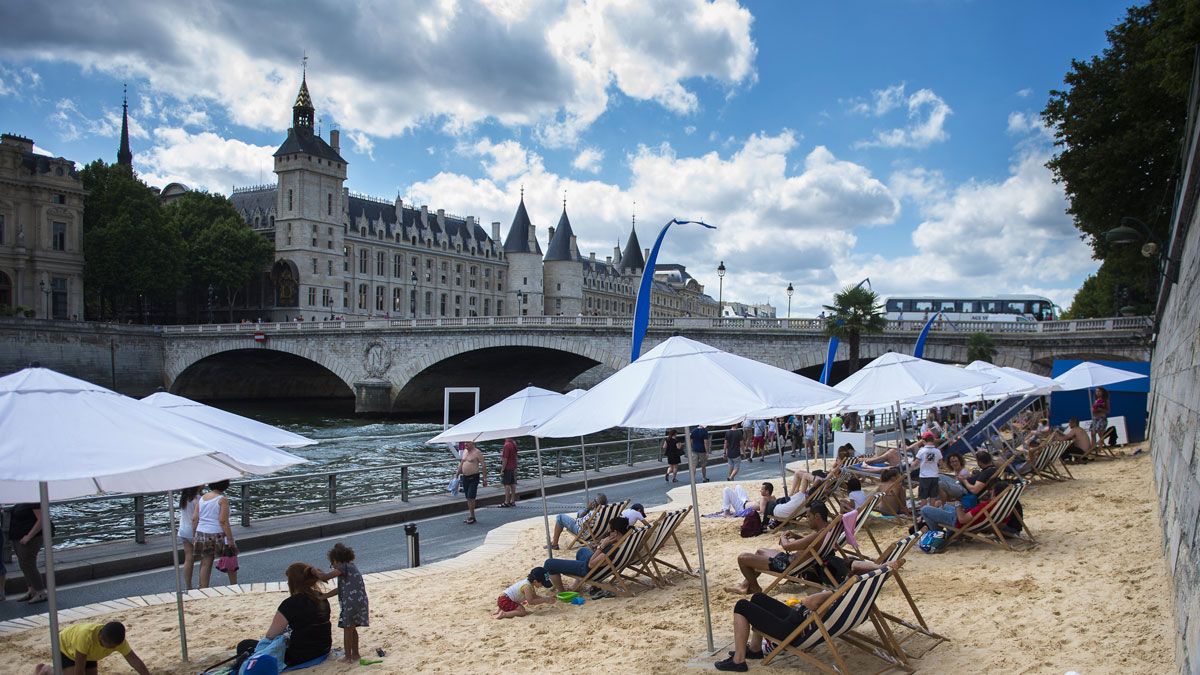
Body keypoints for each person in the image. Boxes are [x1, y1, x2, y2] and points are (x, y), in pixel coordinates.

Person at [715, 559, 907, 672]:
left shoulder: (839, 594)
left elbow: (809, 603)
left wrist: (827, 593)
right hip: (800, 619)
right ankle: (755, 650)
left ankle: (738, 660)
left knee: (742, 605)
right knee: (757, 597)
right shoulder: (853, 595)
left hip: (794, 629)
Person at [265, 563, 333, 668]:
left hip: (300, 655)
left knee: (245, 645)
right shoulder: (321, 597)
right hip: (323, 648)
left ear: (292, 582)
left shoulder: (289, 603)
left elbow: (270, 635)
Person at [543, 516, 630, 594]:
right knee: (582, 551)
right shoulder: (625, 543)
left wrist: (602, 546)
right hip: (599, 565)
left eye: (610, 531)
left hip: (588, 570)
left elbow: (591, 564)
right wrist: (603, 545)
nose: (608, 532)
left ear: (615, 532)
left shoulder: (612, 550)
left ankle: (562, 592)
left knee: (549, 563)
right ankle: (576, 585)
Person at [33, 621, 150, 675]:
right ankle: (47, 669)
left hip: (90, 653)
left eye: (115, 646)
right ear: (101, 637)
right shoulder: (86, 636)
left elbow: (135, 661)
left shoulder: (119, 641)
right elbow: (79, 669)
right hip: (64, 647)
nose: (114, 648)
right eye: (110, 646)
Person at [318, 544, 368, 663]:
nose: (333, 567)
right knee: (352, 629)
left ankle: (348, 657)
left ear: (336, 561)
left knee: (347, 629)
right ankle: (355, 654)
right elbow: (339, 589)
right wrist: (324, 596)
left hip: (351, 604)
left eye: (332, 564)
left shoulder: (343, 567)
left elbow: (325, 577)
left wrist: (314, 571)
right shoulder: (350, 567)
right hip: (359, 603)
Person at [193, 480, 237, 589]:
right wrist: (230, 539)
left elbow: (195, 518)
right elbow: (223, 521)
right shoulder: (222, 500)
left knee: (206, 562)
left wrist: (194, 533)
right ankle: (234, 586)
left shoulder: (202, 498)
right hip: (217, 533)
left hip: (201, 532)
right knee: (230, 558)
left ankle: (203, 588)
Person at [9, 502, 47, 603]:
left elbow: (42, 519)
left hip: (30, 539)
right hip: (18, 537)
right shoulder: (21, 500)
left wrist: (29, 536)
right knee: (23, 564)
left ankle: (41, 592)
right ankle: (32, 590)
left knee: (28, 564)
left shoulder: (34, 501)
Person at [177, 486, 203, 590]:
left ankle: (188, 586)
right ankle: (202, 584)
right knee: (205, 559)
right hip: (194, 530)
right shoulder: (198, 499)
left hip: (183, 530)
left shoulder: (184, 497)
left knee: (188, 558)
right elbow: (196, 518)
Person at [457, 441, 487, 524]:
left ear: (473, 443)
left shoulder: (477, 452)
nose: (465, 444)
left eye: (468, 443)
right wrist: (457, 474)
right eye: (465, 442)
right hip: (465, 477)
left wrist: (485, 479)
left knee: (471, 496)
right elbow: (462, 463)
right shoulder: (465, 451)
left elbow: (483, 465)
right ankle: (471, 515)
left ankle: (472, 516)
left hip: (473, 477)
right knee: (467, 497)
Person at [915, 432, 943, 506]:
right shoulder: (937, 451)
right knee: (933, 497)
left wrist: (910, 465)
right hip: (934, 476)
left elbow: (915, 463)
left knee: (923, 497)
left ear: (924, 441)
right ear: (933, 440)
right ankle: (931, 512)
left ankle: (923, 515)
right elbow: (941, 464)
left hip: (924, 476)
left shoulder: (921, 451)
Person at [500, 437, 519, 508]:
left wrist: (502, 469)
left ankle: (506, 502)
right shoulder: (513, 443)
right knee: (512, 483)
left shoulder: (506, 445)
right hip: (513, 466)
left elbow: (505, 458)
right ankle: (512, 500)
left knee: (506, 484)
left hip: (507, 467)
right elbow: (515, 455)